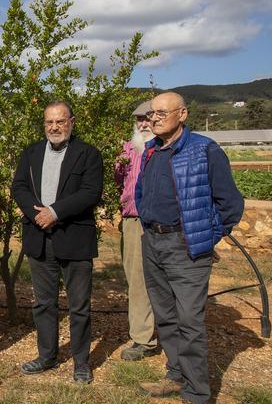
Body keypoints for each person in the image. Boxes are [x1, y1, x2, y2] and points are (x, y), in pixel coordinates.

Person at [136, 92, 244, 404]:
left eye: (162, 113)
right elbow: (142, 194)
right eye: (152, 113)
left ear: (182, 114)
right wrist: (148, 224)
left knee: (189, 320)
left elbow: (231, 204)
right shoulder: (151, 151)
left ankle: (197, 393)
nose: (154, 118)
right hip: (153, 242)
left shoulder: (204, 150)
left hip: (185, 246)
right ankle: (176, 374)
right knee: (166, 315)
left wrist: (207, 237)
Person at [11, 101, 102, 384]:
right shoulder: (32, 153)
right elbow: (19, 187)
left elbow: (90, 193)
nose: (54, 127)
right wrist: (36, 212)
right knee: (44, 304)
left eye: (60, 121)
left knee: (78, 306)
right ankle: (47, 356)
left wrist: (55, 212)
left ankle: (81, 363)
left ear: (71, 122)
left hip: (74, 238)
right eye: (49, 122)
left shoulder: (88, 154)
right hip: (40, 239)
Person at [113, 100, 158, 361]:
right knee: (137, 280)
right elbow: (120, 181)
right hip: (134, 221)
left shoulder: (167, 149)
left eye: (148, 117)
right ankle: (143, 338)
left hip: (167, 222)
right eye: (139, 119)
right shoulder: (128, 150)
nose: (143, 123)